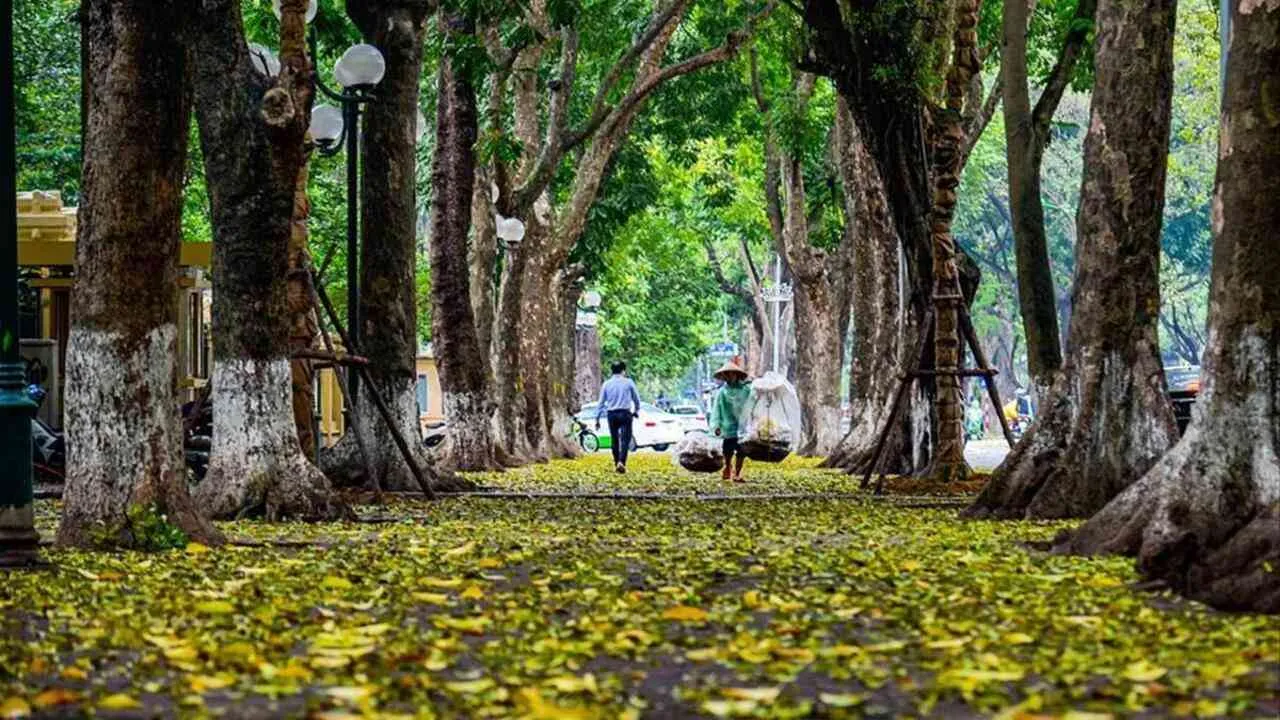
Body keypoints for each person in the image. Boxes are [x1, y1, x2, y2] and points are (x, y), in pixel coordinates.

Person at [595, 361, 641, 473]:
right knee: (625, 439)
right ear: (623, 371)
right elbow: (636, 398)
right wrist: (636, 410)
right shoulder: (629, 382)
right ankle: (622, 462)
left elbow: (601, 402)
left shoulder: (606, 384)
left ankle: (616, 463)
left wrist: (597, 418)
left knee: (614, 439)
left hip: (612, 414)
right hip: (625, 413)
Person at [710, 359, 752, 483]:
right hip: (727, 427)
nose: (728, 377)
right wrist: (716, 425)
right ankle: (728, 466)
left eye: (731, 374)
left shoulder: (746, 390)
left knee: (742, 451)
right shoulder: (722, 392)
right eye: (726, 375)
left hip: (743, 426)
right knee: (727, 451)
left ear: (736, 375)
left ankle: (737, 473)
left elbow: (752, 405)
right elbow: (716, 410)